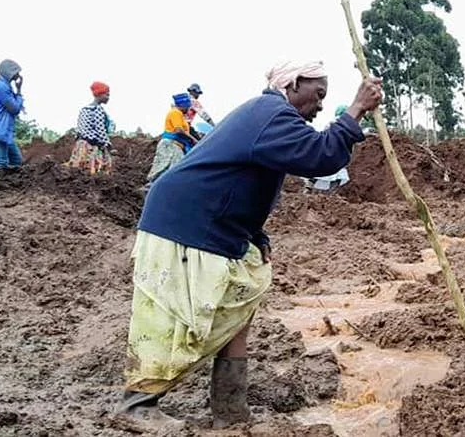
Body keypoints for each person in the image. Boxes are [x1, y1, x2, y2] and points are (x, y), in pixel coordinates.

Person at [113, 60, 383, 432]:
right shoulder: (272, 114)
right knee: (174, 317)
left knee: (240, 303)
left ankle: (230, 409)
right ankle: (136, 406)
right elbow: (321, 158)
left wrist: (255, 234)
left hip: (211, 225)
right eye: (318, 94)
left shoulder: (269, 117)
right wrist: (356, 110)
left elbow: (240, 180)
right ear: (293, 85)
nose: (320, 105)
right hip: (185, 224)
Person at [145, 93, 198, 184]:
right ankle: (150, 188)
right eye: (188, 107)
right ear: (183, 105)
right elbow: (178, 130)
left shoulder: (180, 115)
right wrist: (193, 139)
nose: (189, 109)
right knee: (164, 168)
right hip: (170, 145)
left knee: (175, 170)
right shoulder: (175, 112)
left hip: (176, 146)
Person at [65, 81, 113, 175]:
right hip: (92, 145)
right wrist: (107, 143)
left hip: (81, 144)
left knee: (79, 168)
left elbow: (79, 127)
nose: (108, 98)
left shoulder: (84, 109)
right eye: (107, 95)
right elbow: (100, 129)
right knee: (97, 169)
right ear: (99, 94)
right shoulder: (98, 109)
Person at [303, 104, 352, 192]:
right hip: (331, 155)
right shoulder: (336, 125)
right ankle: (316, 191)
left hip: (331, 155)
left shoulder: (333, 125)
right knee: (330, 175)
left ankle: (316, 192)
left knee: (331, 176)